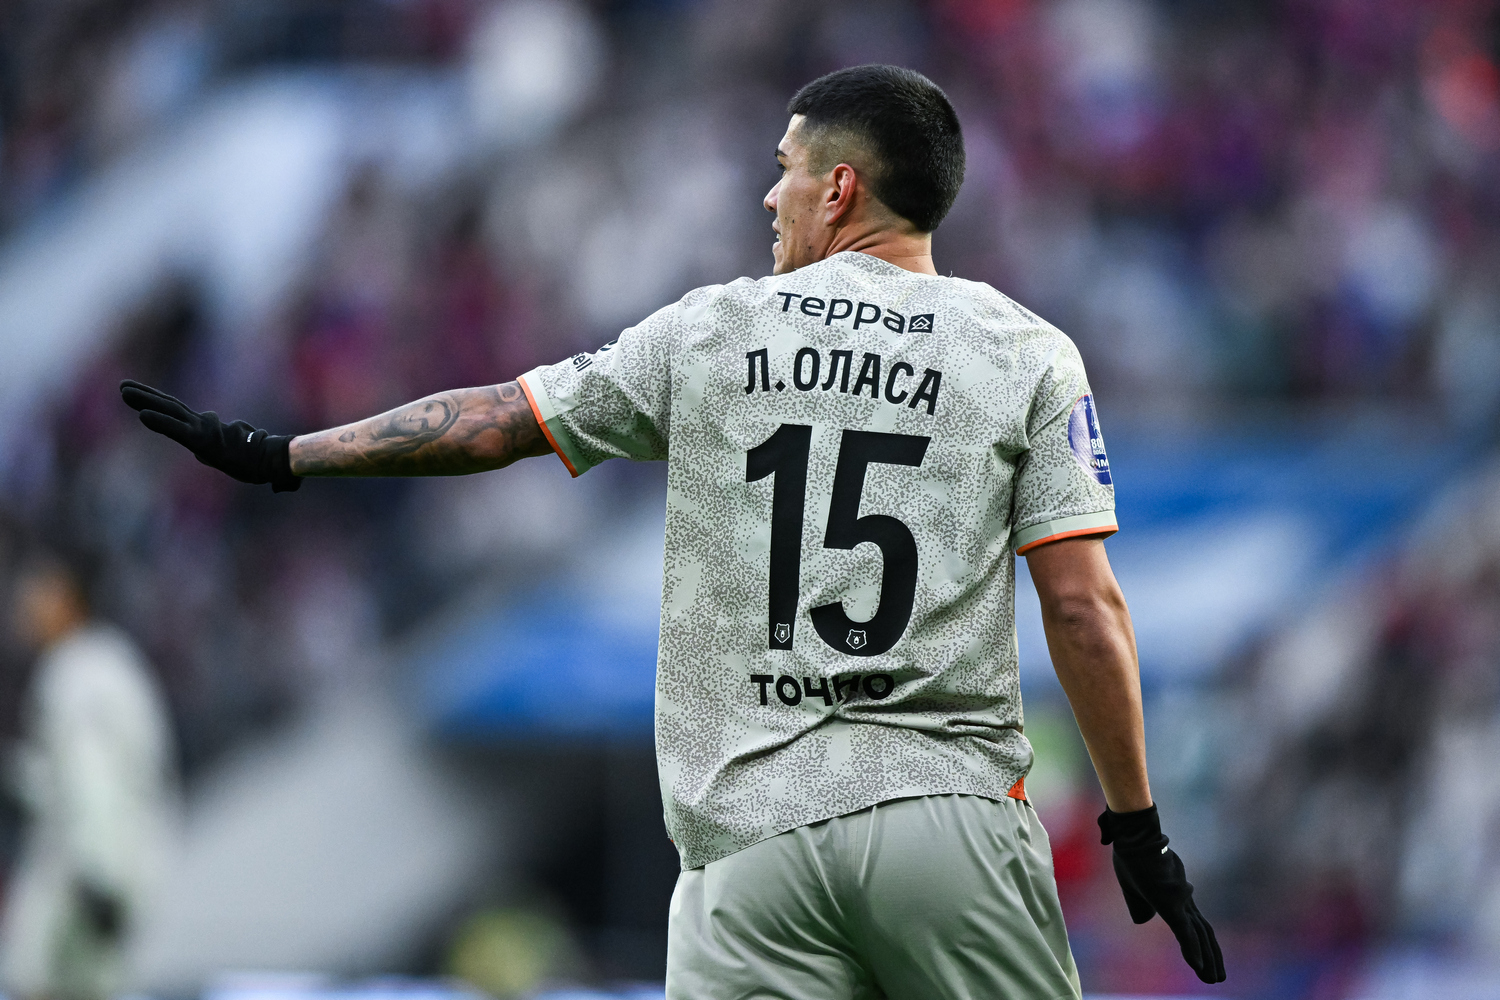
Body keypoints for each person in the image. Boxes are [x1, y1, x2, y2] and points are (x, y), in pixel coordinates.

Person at [121, 64, 1224, 997]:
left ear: (840, 188)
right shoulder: (1025, 354)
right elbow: (1082, 605)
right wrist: (1134, 824)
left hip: (750, 847)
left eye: (785, 168)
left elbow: (501, 421)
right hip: (946, 826)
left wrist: (292, 453)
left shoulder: (713, 331)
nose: (770, 195)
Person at [1, 554, 176, 1000]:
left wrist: (98, 874)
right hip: (111, 864)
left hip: (84, 875)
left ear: (68, 598)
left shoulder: (78, 672)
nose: (25, 606)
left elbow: (93, 778)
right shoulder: (112, 661)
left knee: (44, 985)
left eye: (38, 592)